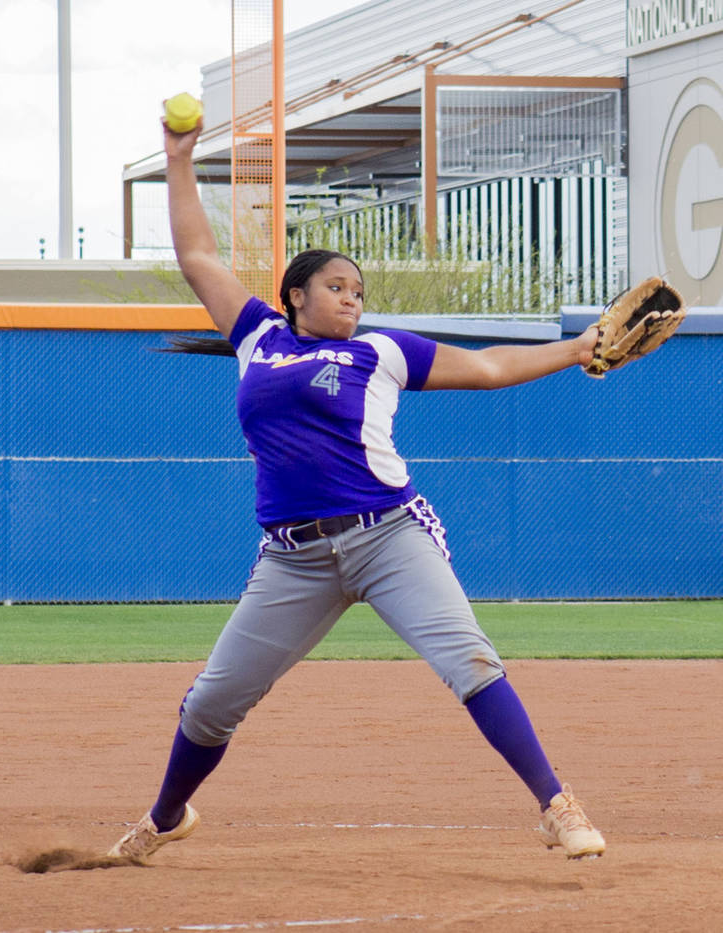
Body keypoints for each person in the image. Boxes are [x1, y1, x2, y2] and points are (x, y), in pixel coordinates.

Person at [107, 111, 606, 863]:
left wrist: (574, 348)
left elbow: (493, 367)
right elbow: (197, 252)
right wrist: (180, 159)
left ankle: (557, 804)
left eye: (359, 289)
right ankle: (166, 814)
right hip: (293, 558)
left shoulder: (383, 350)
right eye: (336, 285)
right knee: (212, 701)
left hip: (388, 535)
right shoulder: (256, 338)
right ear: (295, 295)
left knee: (469, 660)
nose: (352, 298)